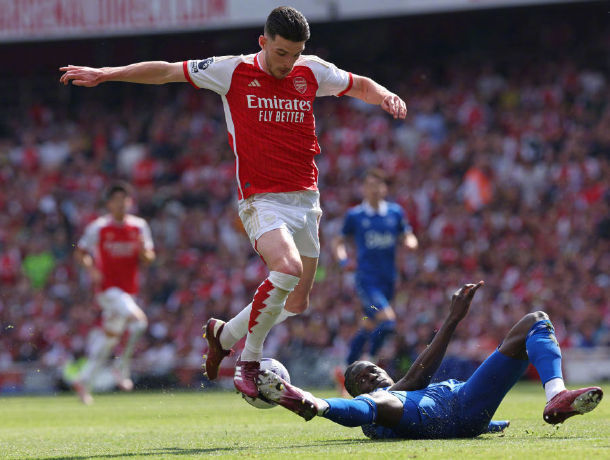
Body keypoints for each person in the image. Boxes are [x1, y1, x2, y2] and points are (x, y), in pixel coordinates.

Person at [59, 6, 407, 398]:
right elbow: (167, 71)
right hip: (261, 198)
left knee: (297, 302)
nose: (288, 62)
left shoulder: (311, 71)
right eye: (281, 53)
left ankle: (224, 335)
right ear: (263, 42)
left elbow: (359, 84)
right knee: (287, 268)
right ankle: (249, 360)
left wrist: (385, 95)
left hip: (307, 200)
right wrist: (107, 74)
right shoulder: (232, 70)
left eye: (295, 54)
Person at [258, 281, 604, 438]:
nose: (370, 376)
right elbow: (405, 384)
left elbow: (413, 384)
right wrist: (452, 320)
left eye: (372, 369)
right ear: (354, 390)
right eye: (360, 379)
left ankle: (556, 395)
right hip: (459, 408)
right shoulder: (380, 405)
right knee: (379, 404)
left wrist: (488, 424)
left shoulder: (399, 392)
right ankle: (313, 404)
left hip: (467, 406)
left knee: (534, 322)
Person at [71, 182, 155, 404]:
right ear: (109, 204)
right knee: (139, 323)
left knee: (110, 339)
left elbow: (149, 257)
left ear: (130, 202)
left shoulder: (139, 226)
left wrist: (144, 252)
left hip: (129, 291)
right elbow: (80, 253)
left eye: (124, 199)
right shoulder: (98, 228)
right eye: (116, 200)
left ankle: (83, 380)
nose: (121, 204)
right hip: (108, 290)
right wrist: (91, 270)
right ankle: (121, 367)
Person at [332, 168, 418, 366]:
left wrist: (411, 242)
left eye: (379, 185)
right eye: (370, 185)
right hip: (367, 281)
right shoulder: (356, 216)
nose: (374, 189)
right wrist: (343, 261)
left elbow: (407, 234)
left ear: (385, 188)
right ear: (363, 189)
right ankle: (369, 361)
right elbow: (338, 242)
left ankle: (345, 368)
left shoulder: (395, 213)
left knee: (369, 324)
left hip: (389, 281)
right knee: (388, 322)